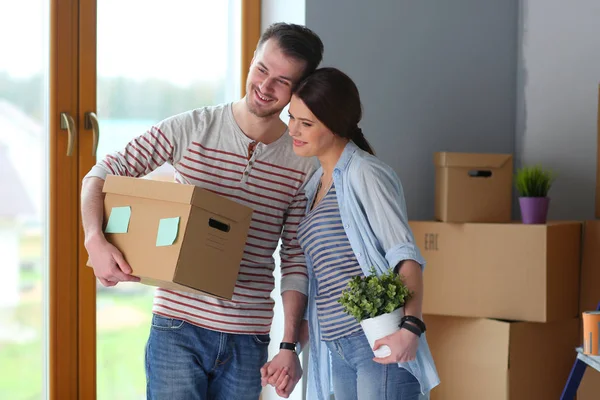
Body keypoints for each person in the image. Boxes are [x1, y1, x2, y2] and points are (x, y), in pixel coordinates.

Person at [81, 22, 324, 400]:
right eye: (261, 69)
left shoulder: (302, 163)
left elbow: (295, 260)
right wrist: (95, 239)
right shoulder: (193, 128)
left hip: (248, 337)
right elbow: (99, 174)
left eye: (283, 81)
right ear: (251, 61)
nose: (265, 86)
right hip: (176, 327)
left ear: (300, 90)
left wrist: (289, 346)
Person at [262, 67, 440, 399]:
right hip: (334, 347)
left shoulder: (365, 173)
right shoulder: (313, 186)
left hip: (374, 339)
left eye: (306, 123)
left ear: (334, 123)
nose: (292, 130)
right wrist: (291, 349)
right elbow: (322, 282)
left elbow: (405, 257)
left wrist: (410, 329)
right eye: (292, 118)